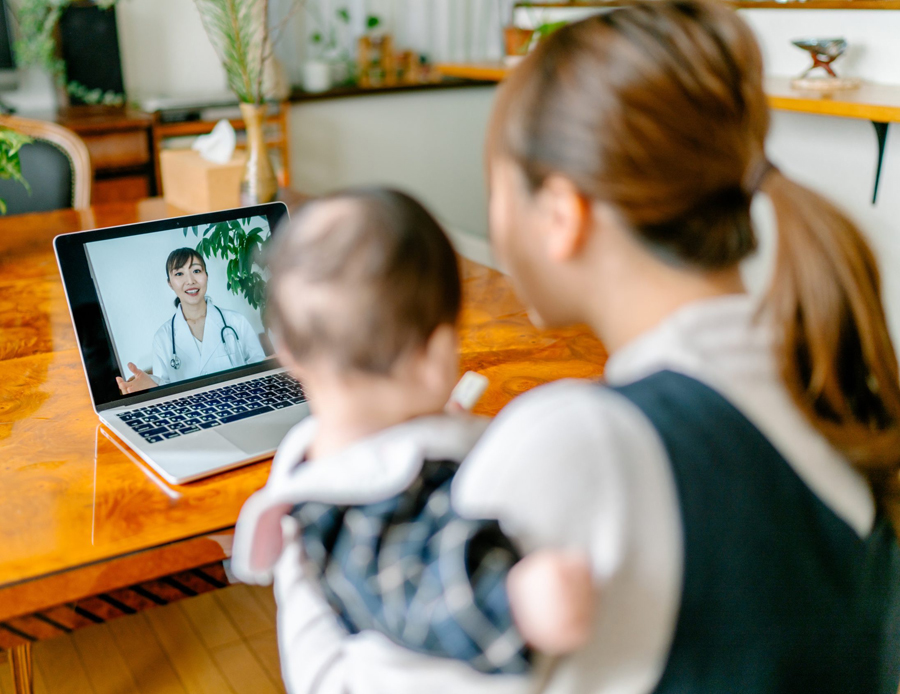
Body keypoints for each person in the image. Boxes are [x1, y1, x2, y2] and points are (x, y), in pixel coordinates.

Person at [267, 2, 900, 694]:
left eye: (497, 189)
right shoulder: (829, 378)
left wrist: (313, 491)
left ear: (562, 216)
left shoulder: (584, 443)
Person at [231, 188, 596, 693]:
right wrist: (522, 603)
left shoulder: (306, 459)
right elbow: (425, 592)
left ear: (288, 350)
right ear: (437, 354)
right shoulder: (366, 507)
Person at [116, 247, 266, 394]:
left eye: (196, 271)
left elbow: (262, 371)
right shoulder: (162, 338)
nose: (190, 281)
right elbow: (164, 392)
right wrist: (152, 388)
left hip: (241, 402)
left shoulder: (236, 322)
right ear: (170, 284)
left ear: (206, 275)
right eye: (179, 273)